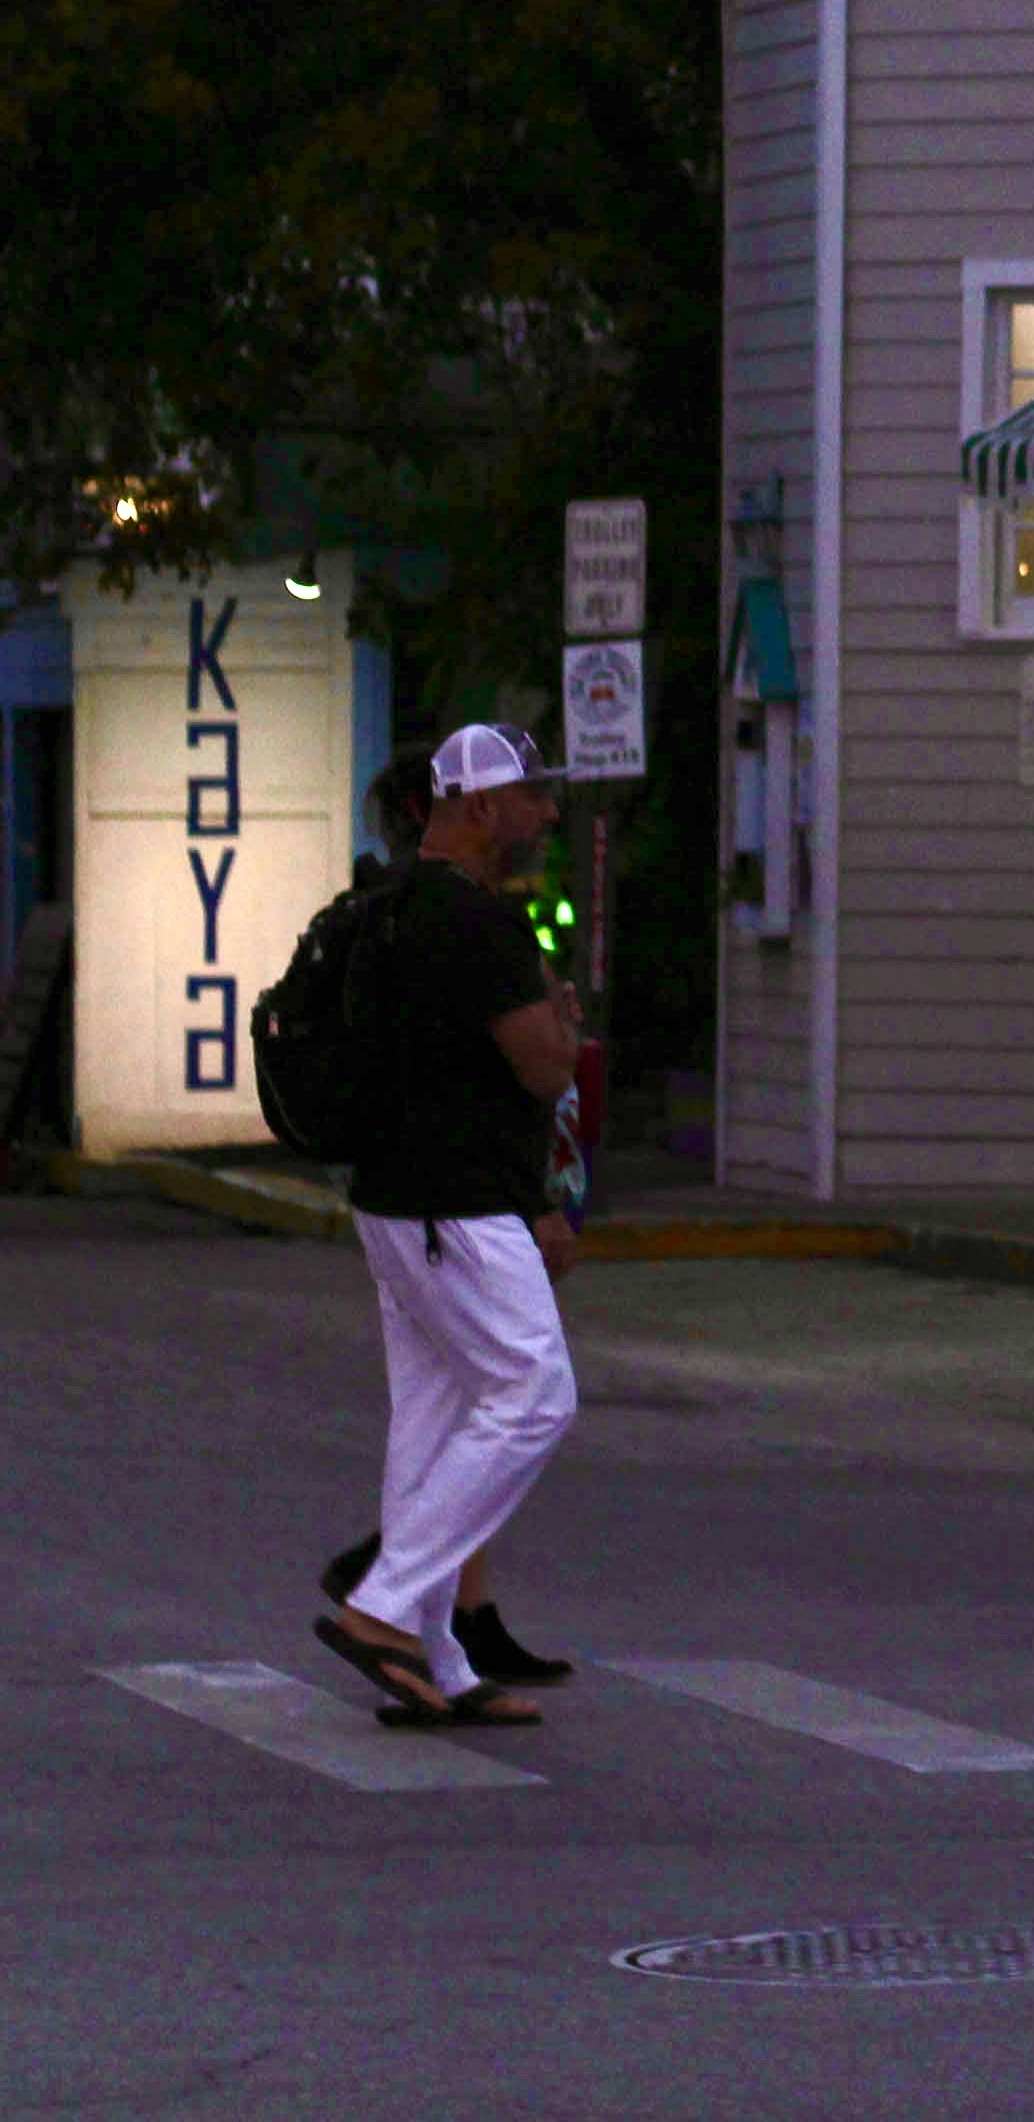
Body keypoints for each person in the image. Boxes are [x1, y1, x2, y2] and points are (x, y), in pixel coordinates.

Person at [313, 726, 585, 1731]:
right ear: (479, 807)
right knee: (533, 1393)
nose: (546, 814)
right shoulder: (477, 924)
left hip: (393, 1200)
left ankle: (439, 1663)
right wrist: (558, 1017)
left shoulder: (389, 909)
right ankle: (385, 1606)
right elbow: (548, 1067)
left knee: (431, 1422)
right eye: (532, 797)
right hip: (461, 1206)